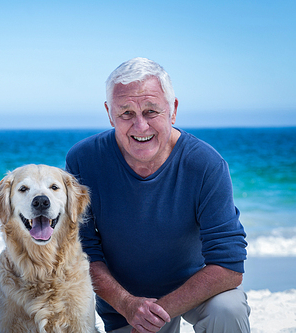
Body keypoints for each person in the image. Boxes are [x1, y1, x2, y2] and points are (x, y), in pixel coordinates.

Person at [65, 57, 250, 333]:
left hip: (194, 289)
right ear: (109, 113)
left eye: (151, 111)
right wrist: (128, 304)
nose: (140, 127)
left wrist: (159, 312)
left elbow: (229, 264)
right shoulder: (83, 160)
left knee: (228, 308)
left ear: (172, 110)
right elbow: (81, 252)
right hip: (123, 302)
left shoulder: (206, 164)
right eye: (126, 113)